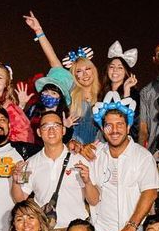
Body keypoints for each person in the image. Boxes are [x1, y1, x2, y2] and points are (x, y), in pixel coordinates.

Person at [82, 104, 159, 231]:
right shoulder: (95, 154)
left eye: (120, 124)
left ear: (128, 127)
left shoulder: (142, 156)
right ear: (102, 129)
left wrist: (130, 227)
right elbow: (94, 200)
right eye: (109, 125)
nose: (114, 130)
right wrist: (87, 182)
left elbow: (150, 193)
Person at [23, 12, 103, 144]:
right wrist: (39, 31)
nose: (85, 74)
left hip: (98, 150)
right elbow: (53, 60)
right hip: (72, 149)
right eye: (79, 71)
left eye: (87, 69)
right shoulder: (71, 91)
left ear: (94, 70)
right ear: (74, 75)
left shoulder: (104, 93)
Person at [10, 109, 85, 231]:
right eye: (46, 127)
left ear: (63, 130)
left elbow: (94, 198)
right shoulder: (29, 163)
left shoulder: (79, 159)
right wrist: (15, 182)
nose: (51, 130)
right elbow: (20, 199)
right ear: (39, 132)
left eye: (56, 125)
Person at [27, 66, 75, 144]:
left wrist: (67, 128)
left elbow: (63, 143)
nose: (48, 95)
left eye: (53, 93)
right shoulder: (33, 109)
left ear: (60, 97)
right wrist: (21, 106)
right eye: (46, 91)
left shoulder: (65, 117)